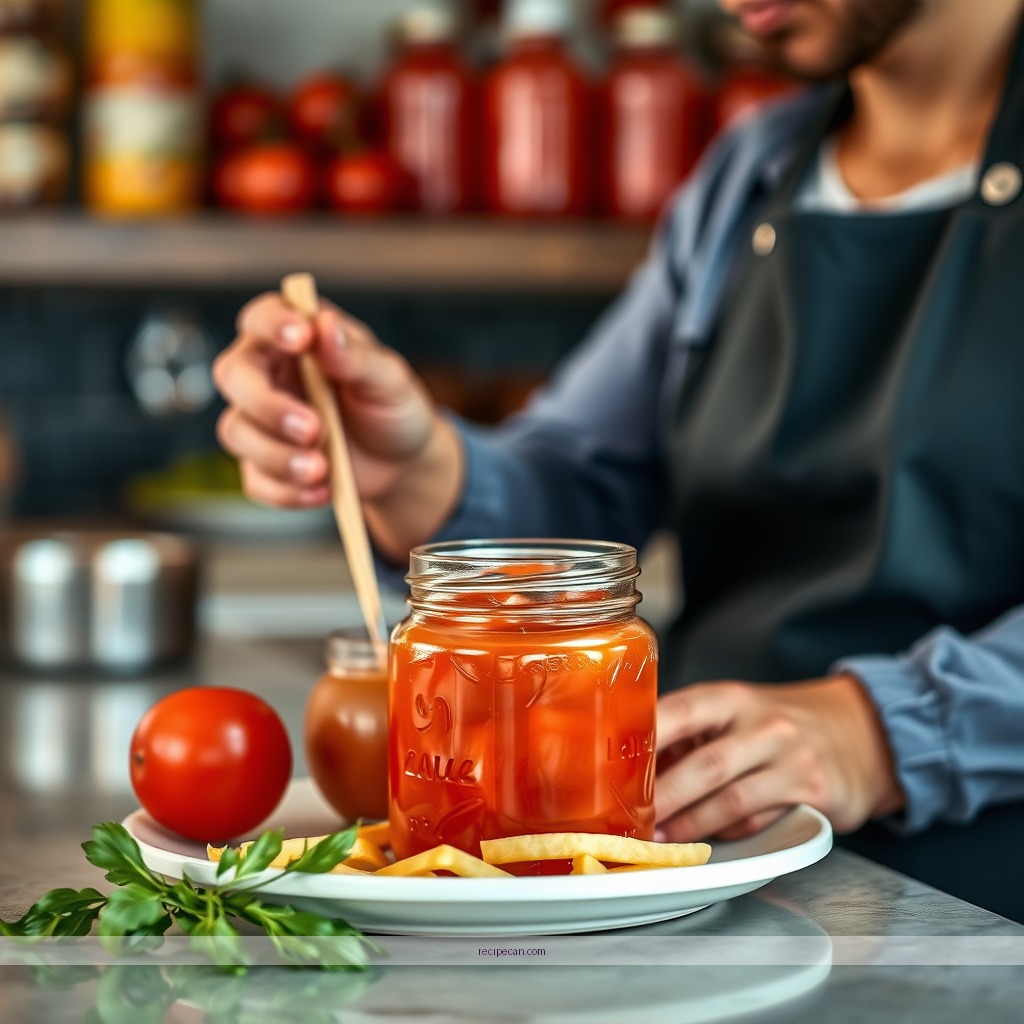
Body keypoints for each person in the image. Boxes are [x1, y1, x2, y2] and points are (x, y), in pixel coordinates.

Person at [213, 0, 1024, 921]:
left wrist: (887, 730)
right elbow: (585, 491)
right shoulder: (753, 171)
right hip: (710, 885)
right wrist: (416, 467)